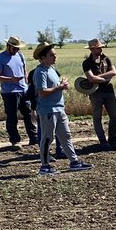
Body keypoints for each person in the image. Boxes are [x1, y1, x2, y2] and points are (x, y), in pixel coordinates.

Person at [30, 42, 92, 175]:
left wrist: (61, 85)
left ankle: (74, 161)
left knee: (66, 136)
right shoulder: (40, 72)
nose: (55, 57)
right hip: (48, 110)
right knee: (47, 138)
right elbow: (42, 92)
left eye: (55, 54)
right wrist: (59, 87)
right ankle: (45, 165)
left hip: (59, 109)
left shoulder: (51, 70)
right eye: (52, 55)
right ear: (43, 57)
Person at [0, 35, 38, 149]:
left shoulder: (20, 56)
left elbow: (24, 70)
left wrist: (27, 83)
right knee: (12, 116)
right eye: (15, 48)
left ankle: (34, 137)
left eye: (18, 48)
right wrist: (11, 79)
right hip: (9, 92)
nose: (16, 50)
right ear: (8, 46)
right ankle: (15, 140)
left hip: (23, 89)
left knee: (29, 114)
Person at [82, 38, 116, 148]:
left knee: (114, 115)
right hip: (95, 92)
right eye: (97, 48)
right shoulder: (86, 63)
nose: (100, 49)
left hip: (108, 90)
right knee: (97, 116)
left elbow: (113, 72)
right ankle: (103, 140)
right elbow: (91, 78)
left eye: (100, 47)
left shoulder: (106, 59)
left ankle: (112, 137)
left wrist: (98, 78)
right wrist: (104, 78)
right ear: (91, 49)